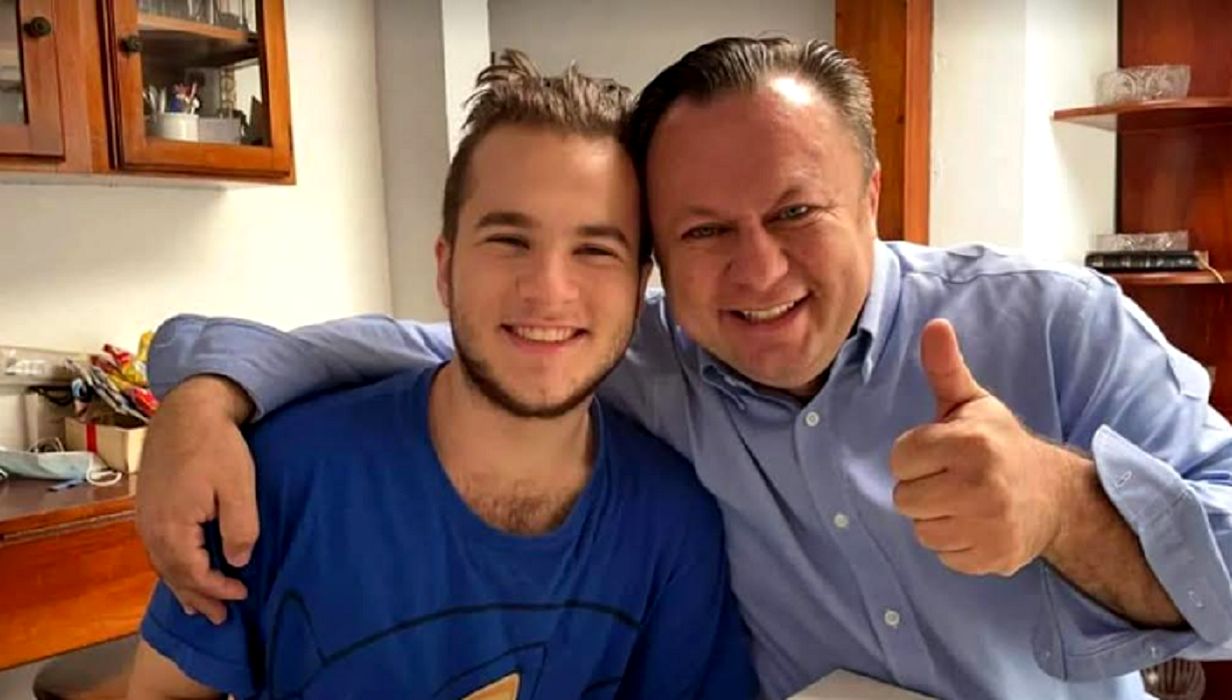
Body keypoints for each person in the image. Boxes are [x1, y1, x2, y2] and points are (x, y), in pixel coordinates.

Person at [136, 38, 1232, 699]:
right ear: (660, 257)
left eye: (795, 212)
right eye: (703, 230)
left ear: (870, 196)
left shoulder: (1054, 326)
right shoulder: (638, 358)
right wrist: (201, 399)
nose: (757, 270)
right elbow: (445, 352)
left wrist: (1062, 507)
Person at [127, 51, 754, 699]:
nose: (548, 290)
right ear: (446, 268)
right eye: (509, 240)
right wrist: (198, 402)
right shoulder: (279, 478)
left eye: (595, 250)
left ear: (639, 285)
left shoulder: (672, 524)